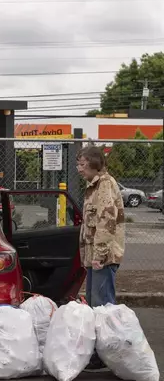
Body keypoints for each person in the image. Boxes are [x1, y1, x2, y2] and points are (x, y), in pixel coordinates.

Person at [76, 145, 125, 372]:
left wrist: (99, 255)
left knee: (103, 307)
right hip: (96, 257)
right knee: (95, 306)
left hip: (102, 258)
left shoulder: (105, 185)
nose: (79, 169)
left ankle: (107, 354)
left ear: (95, 164)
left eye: (82, 164)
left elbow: (106, 222)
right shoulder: (94, 186)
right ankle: (99, 352)